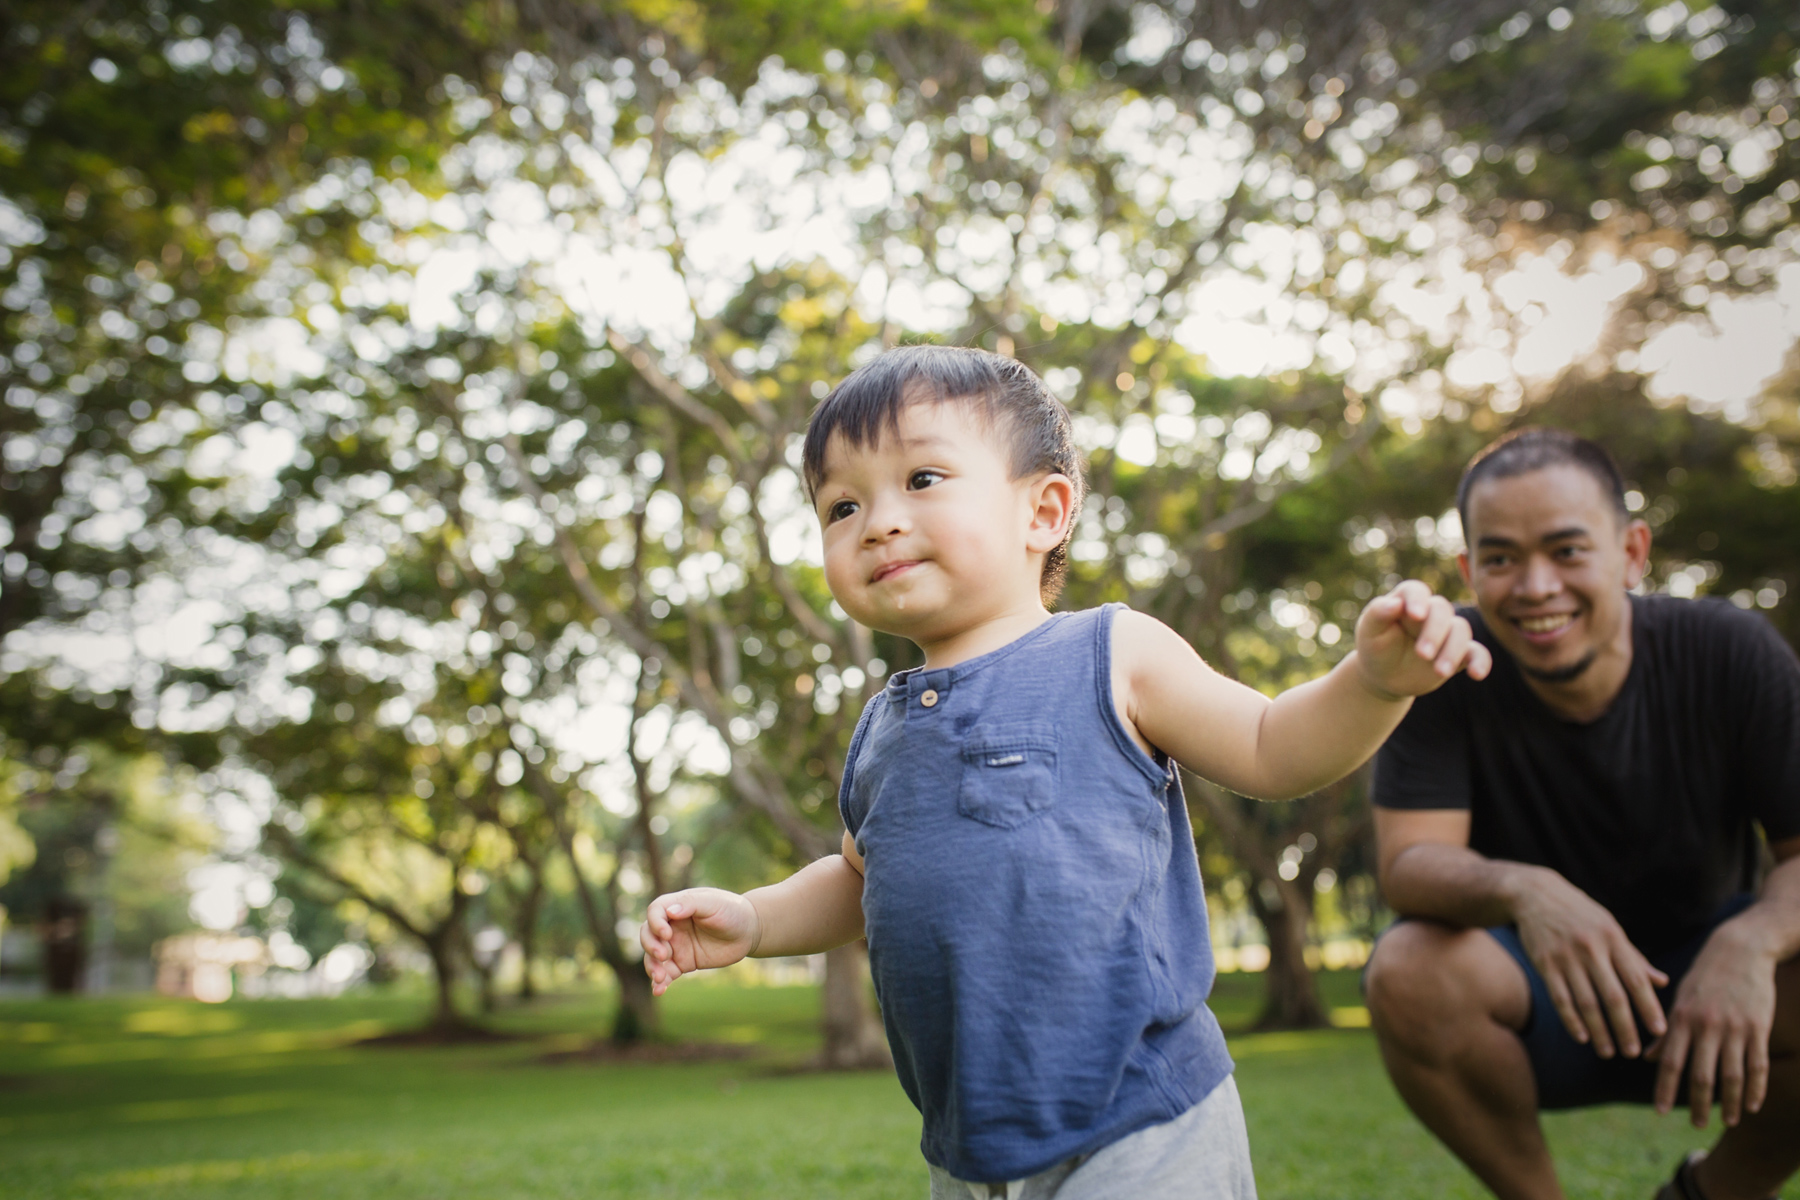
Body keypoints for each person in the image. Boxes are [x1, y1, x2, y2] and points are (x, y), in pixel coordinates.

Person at [639, 345, 1490, 1198]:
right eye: (842, 505)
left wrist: (1373, 683)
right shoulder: (884, 729)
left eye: (923, 479)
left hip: (1143, 1123)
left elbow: (1273, 747)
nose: (878, 521)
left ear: (1043, 510)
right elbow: (863, 880)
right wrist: (752, 920)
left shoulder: (1110, 653)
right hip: (970, 1151)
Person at [1363, 428, 1800, 1200]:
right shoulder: (1442, 668)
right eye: (1500, 559)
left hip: (1719, 999)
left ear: (1632, 553)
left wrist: (1755, 940)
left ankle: (1710, 1195)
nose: (1534, 586)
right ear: (1469, 571)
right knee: (1406, 970)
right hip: (1541, 1005)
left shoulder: (1731, 650)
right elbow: (1407, 865)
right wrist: (1527, 892)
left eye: (1567, 551)